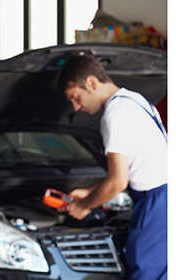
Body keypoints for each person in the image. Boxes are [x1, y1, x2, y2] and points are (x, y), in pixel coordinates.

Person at [57, 53, 167, 280]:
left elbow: (118, 181)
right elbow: (132, 167)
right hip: (162, 196)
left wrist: (84, 205)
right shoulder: (136, 101)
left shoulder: (115, 115)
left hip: (157, 202)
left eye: (75, 97)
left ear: (91, 82)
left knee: (146, 272)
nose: (76, 107)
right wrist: (89, 191)